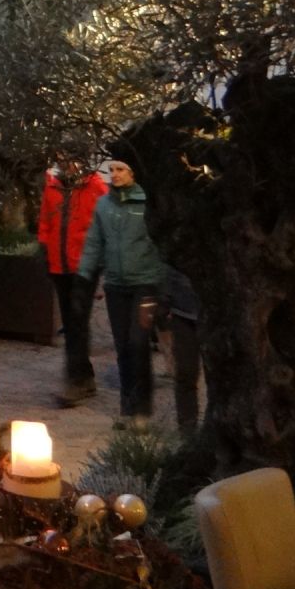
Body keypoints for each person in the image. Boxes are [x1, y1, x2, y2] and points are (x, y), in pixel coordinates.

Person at [75, 149, 166, 429]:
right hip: (116, 285)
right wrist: (84, 276)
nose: (114, 174)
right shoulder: (104, 205)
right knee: (123, 348)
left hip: (145, 284)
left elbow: (161, 242)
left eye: (120, 169)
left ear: (133, 172)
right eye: (111, 169)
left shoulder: (147, 202)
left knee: (138, 344)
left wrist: (163, 279)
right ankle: (127, 409)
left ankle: (143, 410)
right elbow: (94, 242)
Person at [37, 158, 109, 407]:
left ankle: (76, 380)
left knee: (77, 323)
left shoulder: (95, 187)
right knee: (71, 324)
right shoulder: (53, 187)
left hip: (84, 267)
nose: (68, 164)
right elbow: (46, 222)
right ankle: (85, 378)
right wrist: (46, 253)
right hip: (60, 265)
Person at [164, 265, 203, 436]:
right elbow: (169, 266)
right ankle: (187, 429)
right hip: (182, 311)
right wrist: (164, 299)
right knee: (186, 372)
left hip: (214, 312)